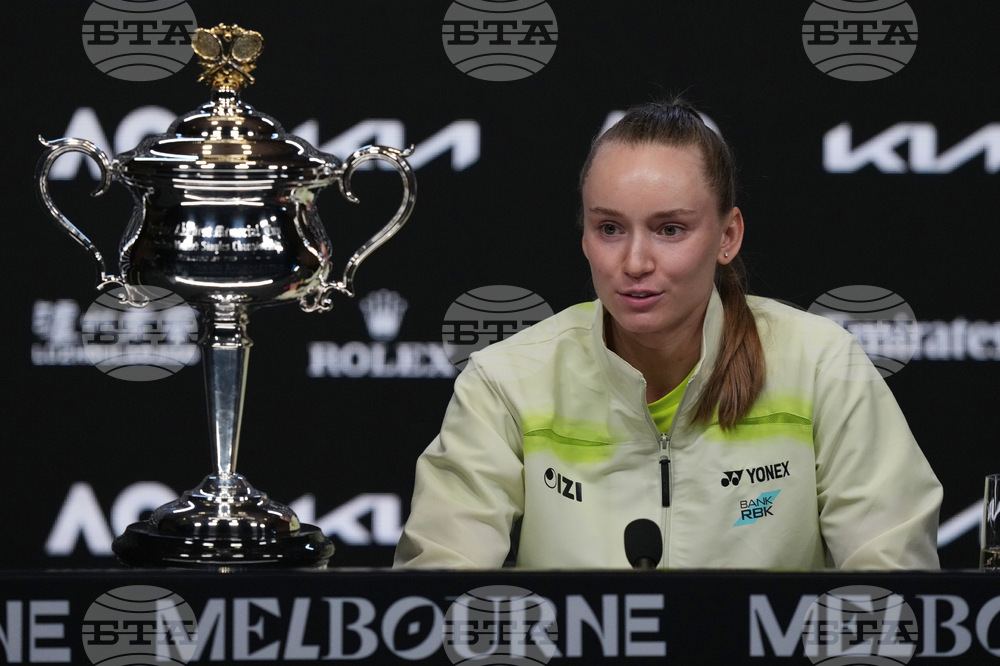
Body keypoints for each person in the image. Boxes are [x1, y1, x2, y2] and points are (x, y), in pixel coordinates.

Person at [394, 99, 942, 570]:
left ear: (727, 236)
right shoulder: (506, 381)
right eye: (609, 228)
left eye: (670, 229)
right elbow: (440, 591)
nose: (634, 262)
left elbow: (890, 584)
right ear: (584, 236)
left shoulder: (822, 365)